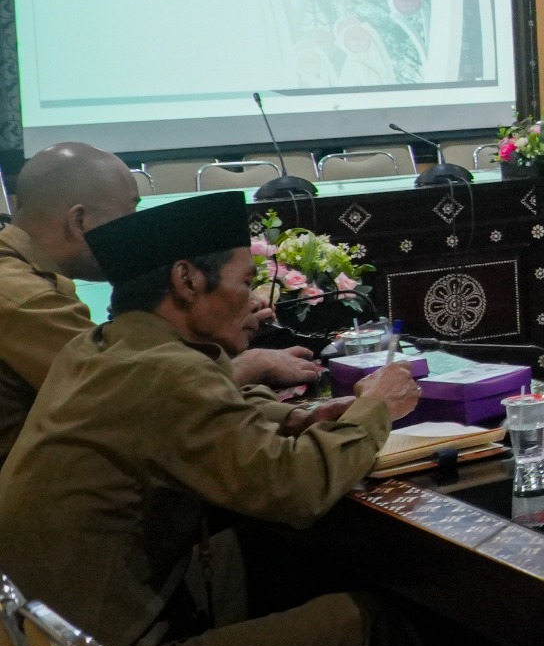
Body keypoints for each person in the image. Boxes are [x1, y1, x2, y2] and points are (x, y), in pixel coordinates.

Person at [0, 192, 437, 646]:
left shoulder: (98, 349)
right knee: (356, 624)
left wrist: (295, 418)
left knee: (265, 564)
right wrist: (377, 408)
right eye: (245, 280)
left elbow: (193, 414)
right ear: (187, 281)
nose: (253, 299)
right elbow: (296, 488)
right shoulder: (167, 372)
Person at [0, 143, 321, 460]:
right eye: (129, 214)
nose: (136, 228)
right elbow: (131, 399)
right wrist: (251, 365)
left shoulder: (28, 273)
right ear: (80, 222)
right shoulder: (21, 295)